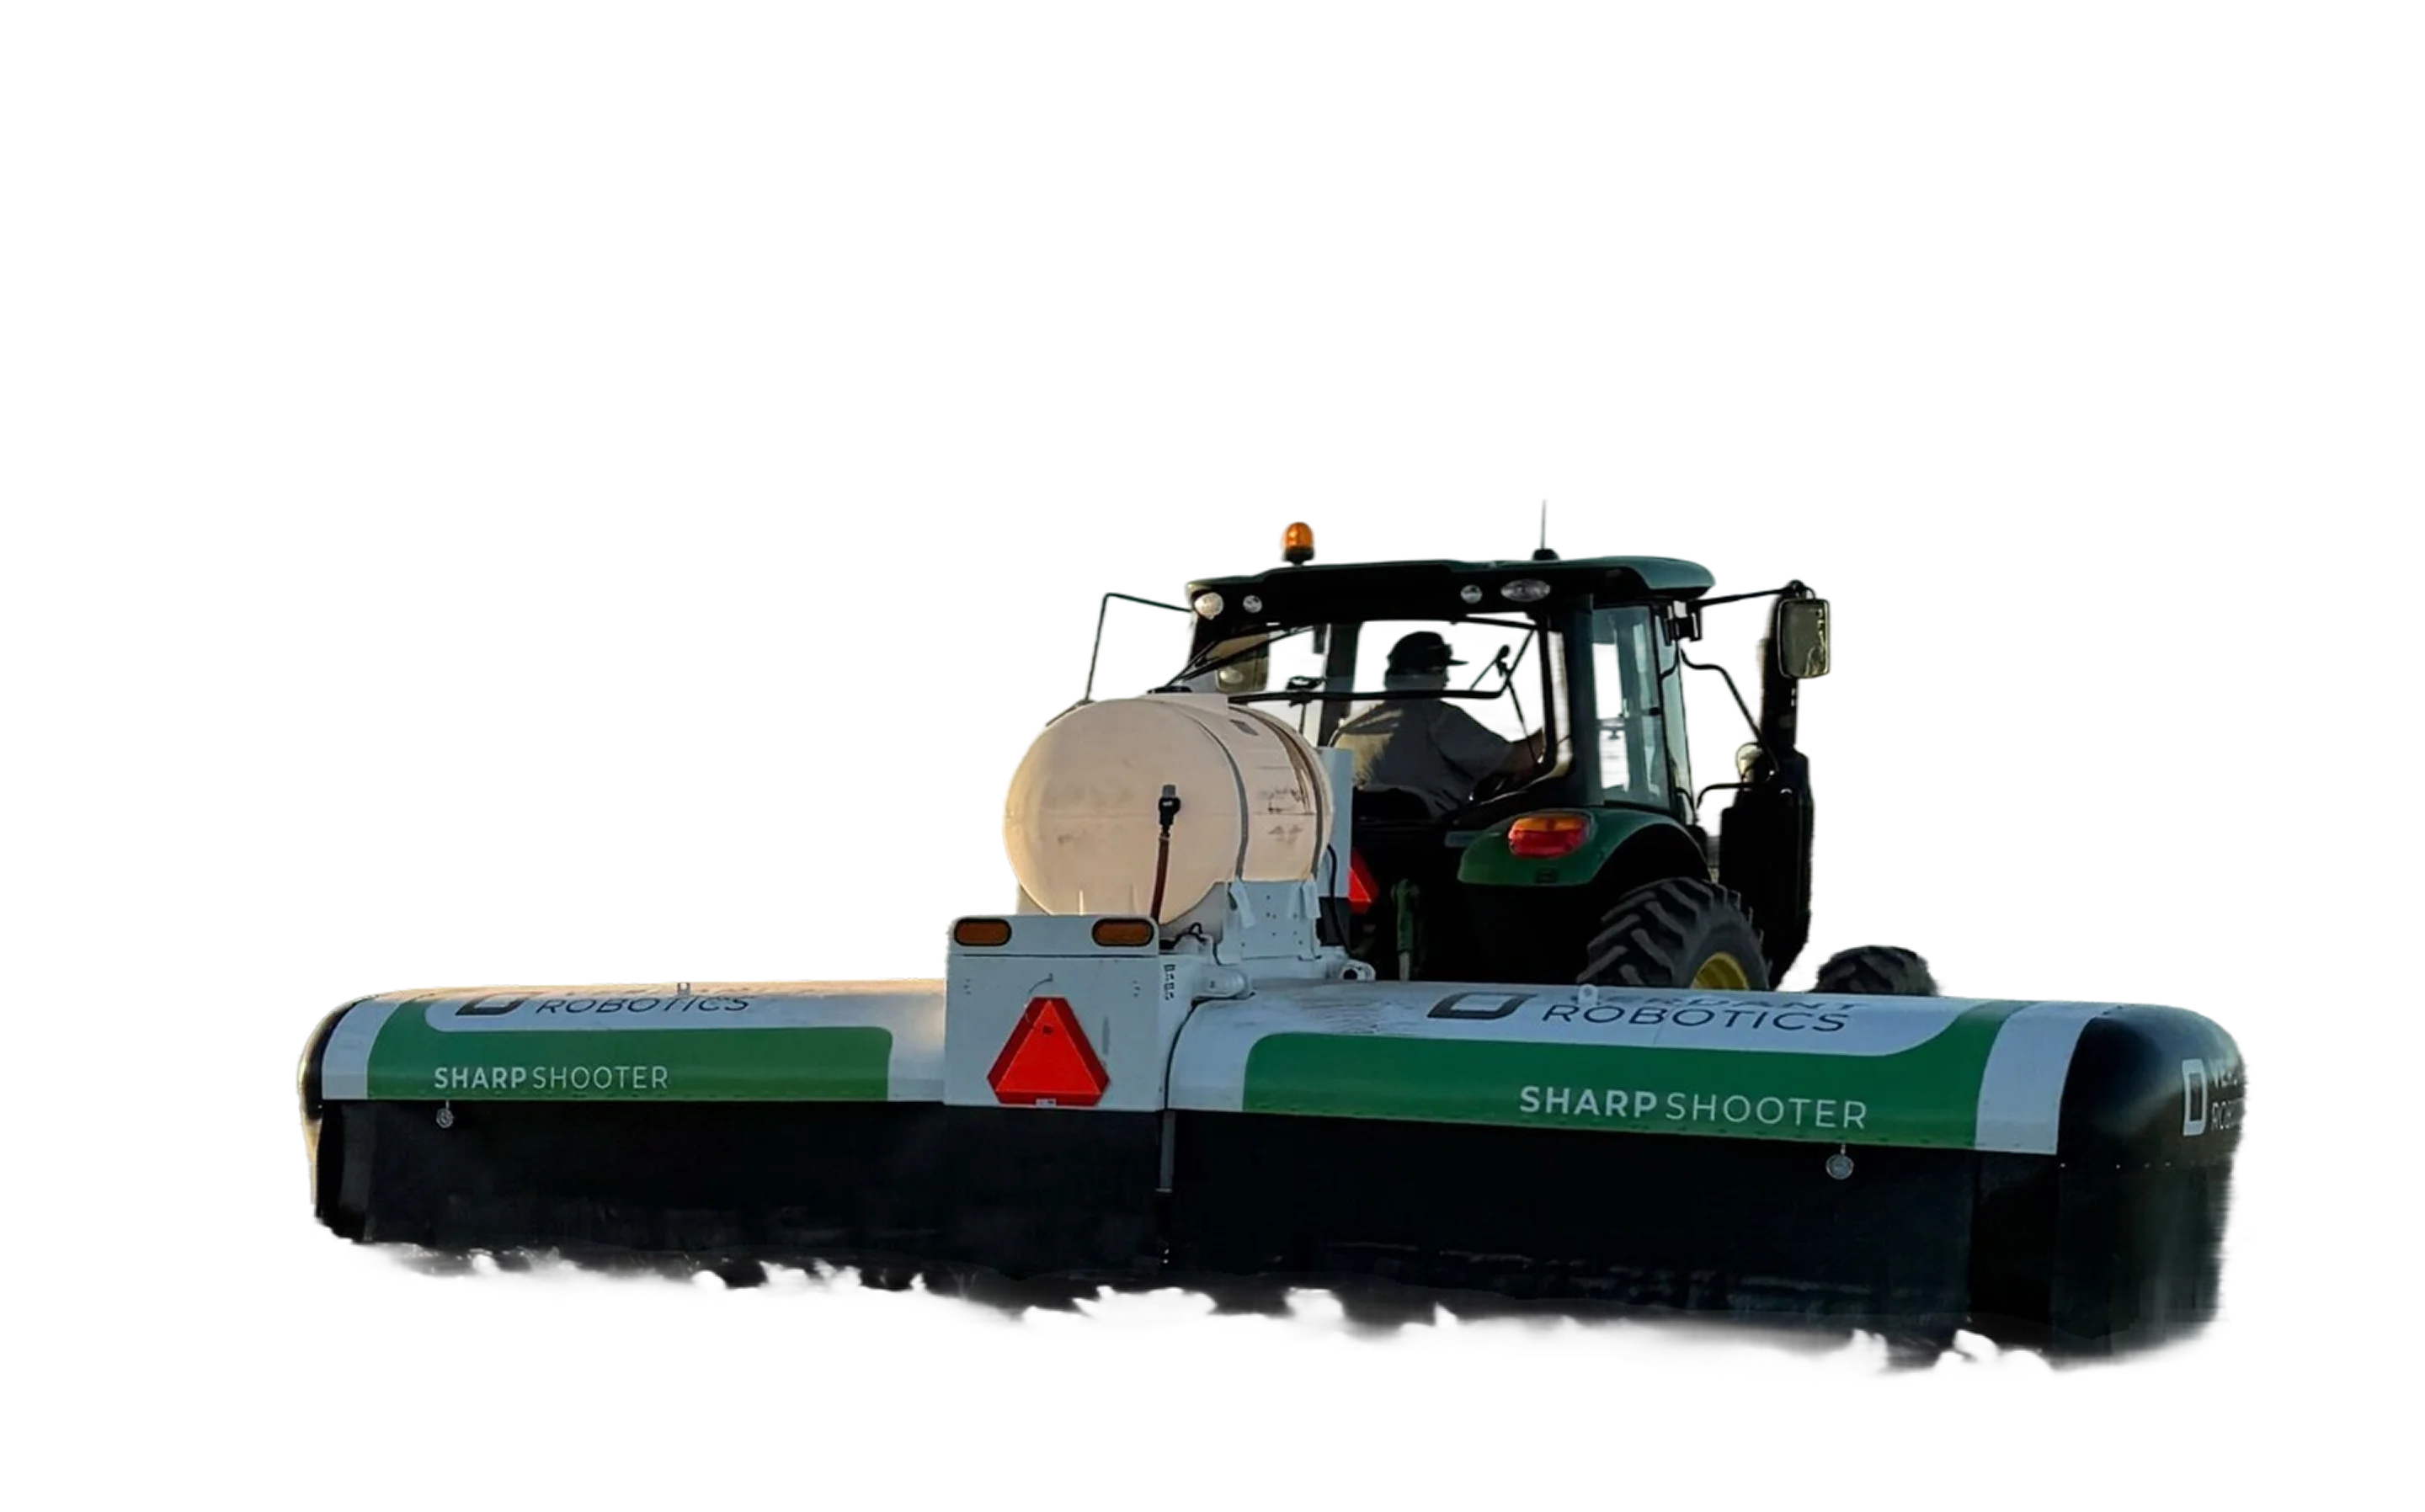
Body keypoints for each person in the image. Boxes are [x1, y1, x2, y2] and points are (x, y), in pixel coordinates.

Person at [1330, 629, 1543, 820]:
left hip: (1356, 829)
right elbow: (1517, 760)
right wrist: (1550, 732)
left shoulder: (1352, 725)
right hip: (1424, 831)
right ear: (1436, 671)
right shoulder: (1439, 718)